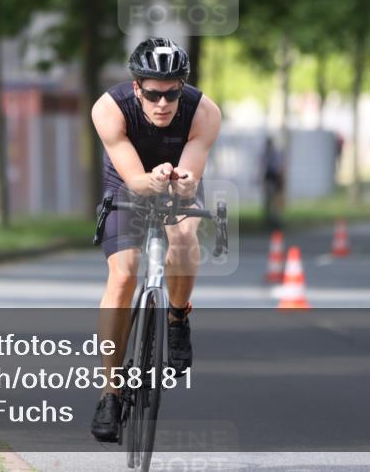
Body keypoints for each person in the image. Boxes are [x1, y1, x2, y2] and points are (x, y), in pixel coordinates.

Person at [88, 37, 222, 442]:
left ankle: (177, 317)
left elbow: (191, 175)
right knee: (124, 276)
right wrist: (151, 178)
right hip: (128, 181)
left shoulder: (205, 112)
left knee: (182, 237)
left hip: (176, 179)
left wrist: (181, 184)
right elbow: (133, 179)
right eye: (152, 93)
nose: (162, 103)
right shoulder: (109, 109)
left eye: (171, 93)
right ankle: (110, 392)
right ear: (136, 88)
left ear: (182, 88)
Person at [261, 136, 285, 229]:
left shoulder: (275, 154)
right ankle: (269, 219)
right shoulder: (266, 154)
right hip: (270, 178)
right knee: (269, 201)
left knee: (276, 201)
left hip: (275, 178)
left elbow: (278, 168)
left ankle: (276, 219)